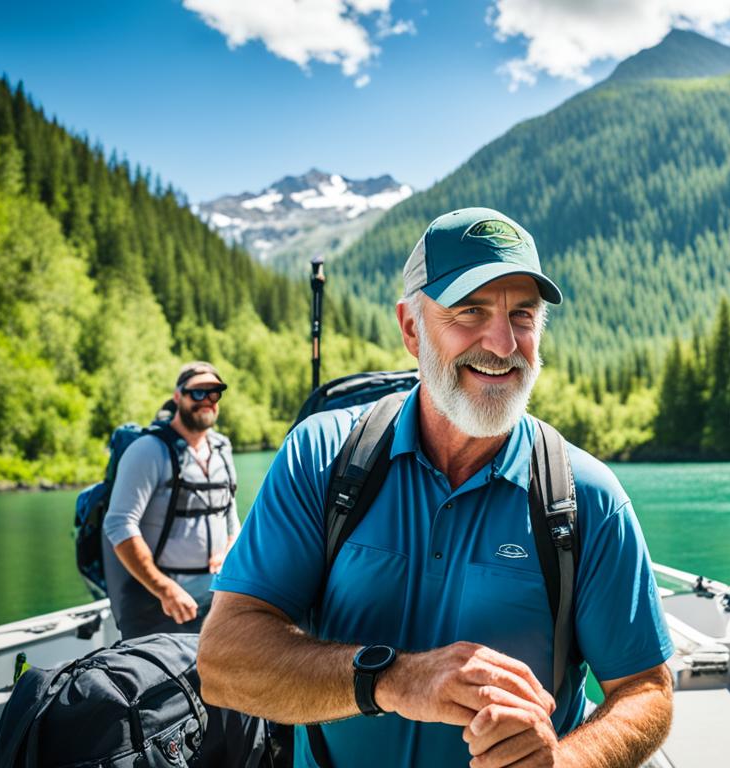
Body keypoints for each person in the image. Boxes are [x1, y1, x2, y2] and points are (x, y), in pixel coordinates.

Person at [199, 207, 675, 767]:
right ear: (410, 329)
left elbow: (646, 691)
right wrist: (393, 679)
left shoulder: (585, 496)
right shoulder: (323, 458)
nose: (502, 344)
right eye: (469, 311)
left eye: (522, 315)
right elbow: (224, 662)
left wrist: (566, 763)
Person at [102, 362, 238, 638]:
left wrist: (227, 553)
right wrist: (165, 589)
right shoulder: (149, 451)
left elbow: (231, 518)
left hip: (213, 598)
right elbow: (119, 524)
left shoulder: (222, 448)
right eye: (197, 393)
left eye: (215, 393)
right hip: (158, 603)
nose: (207, 401)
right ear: (178, 397)